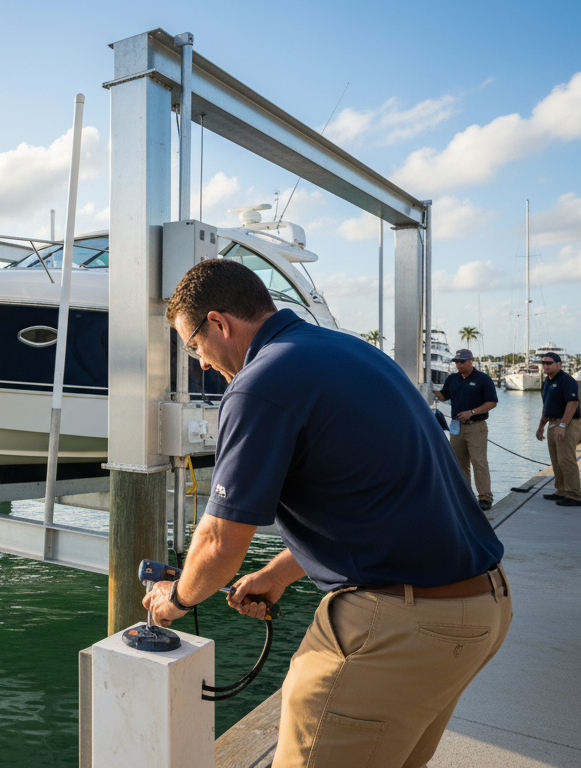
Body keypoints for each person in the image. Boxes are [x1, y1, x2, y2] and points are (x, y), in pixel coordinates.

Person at [145, 259, 510, 768]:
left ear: (219, 323)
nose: (200, 363)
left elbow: (219, 545)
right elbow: (373, 498)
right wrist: (277, 573)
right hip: (482, 608)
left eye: (193, 345)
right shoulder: (353, 351)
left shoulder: (257, 384)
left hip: (401, 624)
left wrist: (175, 601)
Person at [434, 349, 498, 511]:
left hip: (476, 427)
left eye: (462, 362)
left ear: (471, 361)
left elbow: (492, 402)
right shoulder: (452, 379)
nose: (459, 365)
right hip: (456, 428)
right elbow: (443, 396)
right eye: (456, 362)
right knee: (459, 463)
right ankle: (466, 496)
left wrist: (472, 412)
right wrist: (426, 386)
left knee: (479, 462)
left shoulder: (483, 379)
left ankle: (485, 497)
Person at [536, 352, 581, 506]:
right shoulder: (547, 381)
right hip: (552, 423)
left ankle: (573, 495)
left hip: (567, 424)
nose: (545, 366)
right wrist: (541, 426)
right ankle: (561, 491)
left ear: (558, 364)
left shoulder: (567, 381)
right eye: (543, 363)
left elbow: (572, 403)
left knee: (566, 460)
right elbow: (547, 406)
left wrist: (563, 425)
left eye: (548, 363)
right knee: (556, 461)